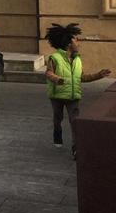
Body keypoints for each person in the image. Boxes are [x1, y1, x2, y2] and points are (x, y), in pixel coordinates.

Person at [44, 23, 110, 157]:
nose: (79, 43)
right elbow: (48, 73)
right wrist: (58, 79)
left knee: (75, 122)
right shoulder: (55, 58)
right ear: (68, 43)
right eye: (76, 40)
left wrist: (99, 75)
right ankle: (57, 132)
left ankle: (76, 148)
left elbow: (82, 77)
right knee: (58, 117)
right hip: (57, 95)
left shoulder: (78, 60)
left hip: (73, 97)